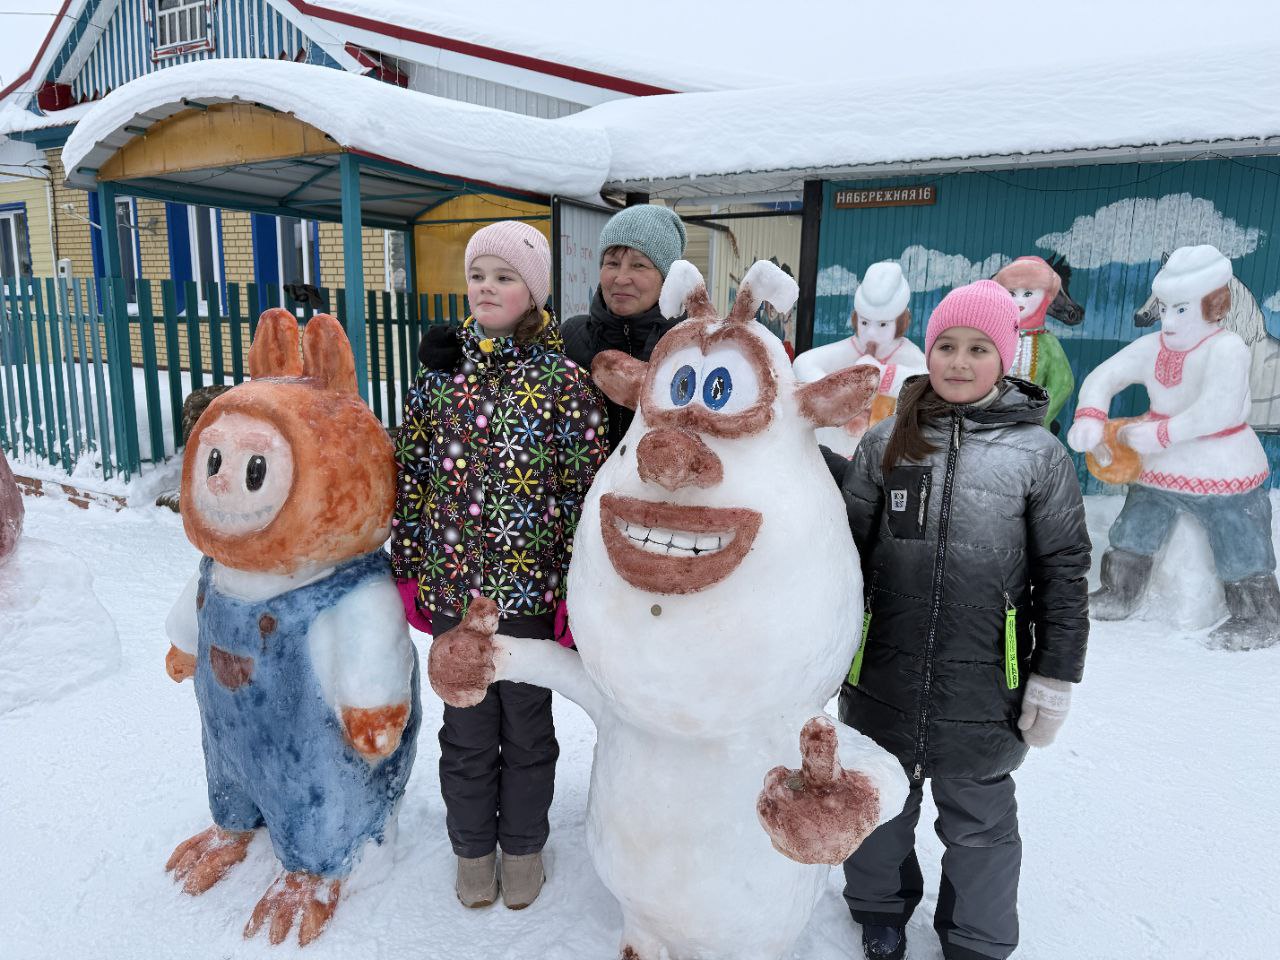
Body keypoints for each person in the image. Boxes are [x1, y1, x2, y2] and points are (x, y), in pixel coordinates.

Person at [826, 279, 1091, 960]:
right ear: (929, 350)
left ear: (1005, 359)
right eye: (947, 345)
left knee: (979, 824)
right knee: (881, 805)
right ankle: (878, 910)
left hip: (986, 685)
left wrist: (1054, 675)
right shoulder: (888, 442)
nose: (959, 361)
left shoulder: (1039, 456)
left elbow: (1063, 571)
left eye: (979, 348)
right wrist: (822, 654)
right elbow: (842, 559)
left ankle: (976, 937)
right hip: (883, 671)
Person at [390, 221, 608, 911]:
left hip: (531, 597)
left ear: (533, 293)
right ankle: (471, 852)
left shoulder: (564, 385)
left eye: (504, 276)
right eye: (479, 273)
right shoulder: (438, 378)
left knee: (527, 730)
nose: (487, 286)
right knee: (467, 731)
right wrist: (409, 569)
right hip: (455, 589)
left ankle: (522, 849)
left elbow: (582, 493)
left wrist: (580, 592)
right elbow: (414, 478)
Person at [561, 203, 688, 449]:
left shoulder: (689, 346)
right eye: (612, 263)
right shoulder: (569, 339)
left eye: (639, 265)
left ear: (666, 277)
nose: (621, 278)